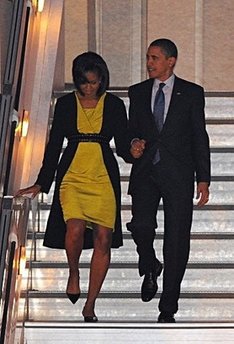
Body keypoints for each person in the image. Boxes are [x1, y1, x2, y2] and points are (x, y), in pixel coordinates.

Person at [16, 52, 130, 322]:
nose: (89, 87)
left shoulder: (114, 104)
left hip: (102, 175)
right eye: (84, 82)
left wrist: (135, 150)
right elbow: (54, 144)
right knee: (74, 227)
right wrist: (42, 183)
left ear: (102, 79)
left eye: (94, 82)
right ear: (77, 81)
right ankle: (74, 271)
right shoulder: (66, 104)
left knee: (104, 237)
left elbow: (124, 145)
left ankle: (90, 304)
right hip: (73, 175)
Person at [126, 38, 211, 323]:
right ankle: (150, 264)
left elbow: (199, 135)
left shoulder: (191, 93)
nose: (149, 63)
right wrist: (133, 144)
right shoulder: (137, 92)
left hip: (178, 173)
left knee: (176, 240)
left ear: (170, 61)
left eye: (154, 58)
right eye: (148, 58)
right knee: (140, 225)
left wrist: (204, 178)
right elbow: (129, 134)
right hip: (146, 170)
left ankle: (168, 306)